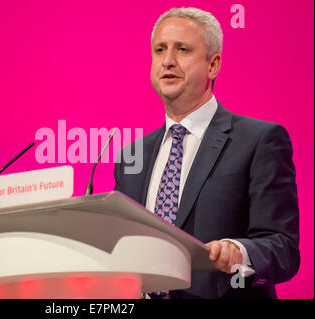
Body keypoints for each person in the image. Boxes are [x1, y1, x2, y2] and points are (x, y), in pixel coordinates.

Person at [114, 7, 300, 299]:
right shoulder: (131, 156)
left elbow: (283, 249)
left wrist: (238, 252)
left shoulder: (259, 140)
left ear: (213, 65)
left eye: (183, 49)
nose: (168, 60)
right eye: (159, 49)